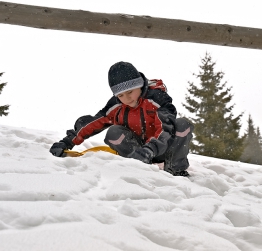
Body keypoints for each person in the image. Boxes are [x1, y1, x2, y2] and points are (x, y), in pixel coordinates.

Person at [50, 61, 194, 177]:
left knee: (183, 125)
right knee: (114, 132)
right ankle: (137, 167)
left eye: (130, 92)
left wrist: (150, 149)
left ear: (140, 85)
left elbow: (165, 130)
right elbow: (93, 123)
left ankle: (175, 170)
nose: (126, 98)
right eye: (120, 95)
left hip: (162, 149)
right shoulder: (116, 106)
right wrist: (67, 142)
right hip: (137, 153)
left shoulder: (157, 99)